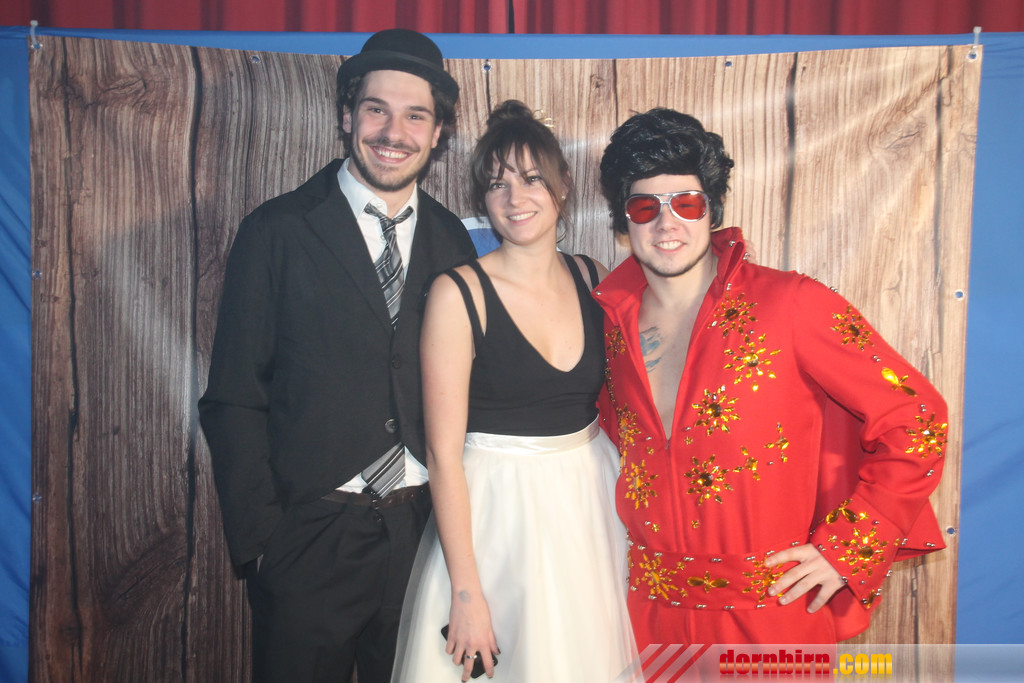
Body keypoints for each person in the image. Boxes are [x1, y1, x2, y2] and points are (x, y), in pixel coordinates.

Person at [594, 108, 948, 647]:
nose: (667, 224)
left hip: (771, 621)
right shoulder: (607, 324)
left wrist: (847, 548)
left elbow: (917, 418)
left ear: (712, 210)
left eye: (686, 204)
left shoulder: (792, 303)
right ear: (624, 222)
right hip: (646, 626)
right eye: (645, 207)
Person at [198, 29, 476, 682]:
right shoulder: (277, 230)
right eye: (377, 109)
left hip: (423, 539)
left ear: (438, 133)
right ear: (348, 115)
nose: (394, 132)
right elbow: (234, 396)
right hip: (308, 542)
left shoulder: (453, 242)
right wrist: (263, 543)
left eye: (416, 115)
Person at [391, 100, 639, 682]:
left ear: (562, 185)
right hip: (496, 516)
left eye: (531, 179)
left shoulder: (593, 277)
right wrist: (466, 593)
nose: (514, 197)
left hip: (589, 507)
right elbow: (443, 457)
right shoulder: (457, 294)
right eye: (497, 183)